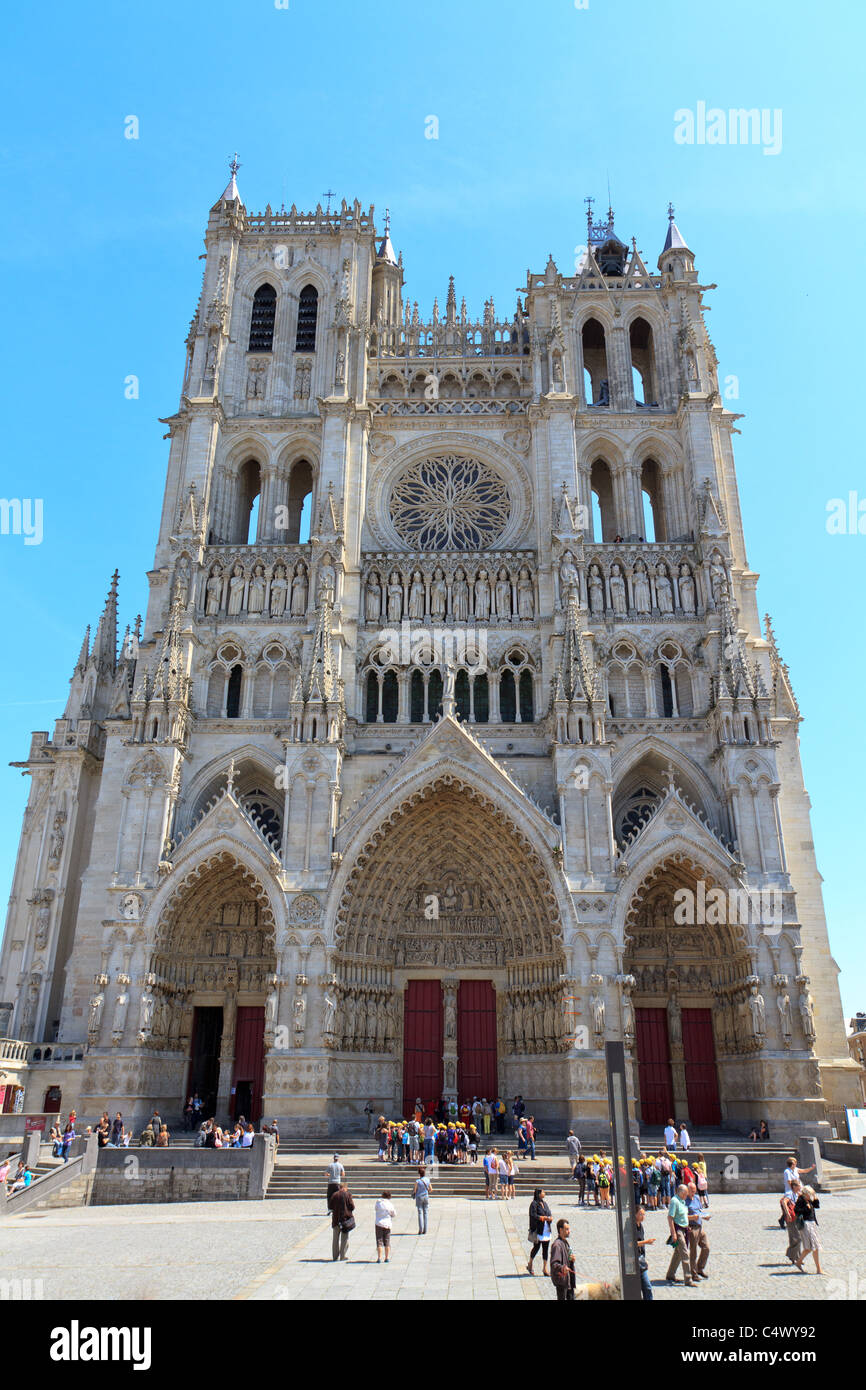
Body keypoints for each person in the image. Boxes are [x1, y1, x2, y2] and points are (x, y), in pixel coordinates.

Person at [665, 1183, 694, 1286]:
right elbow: (670, 1218)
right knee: (685, 1253)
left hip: (684, 1229)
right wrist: (673, 1234)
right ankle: (688, 1279)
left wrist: (688, 1224)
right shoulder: (674, 1201)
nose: (687, 1195)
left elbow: (683, 1216)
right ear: (681, 1192)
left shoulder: (682, 1201)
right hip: (678, 1230)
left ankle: (670, 1274)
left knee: (678, 1253)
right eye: (686, 1193)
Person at [794, 1186, 822, 1275]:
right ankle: (817, 1269)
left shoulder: (808, 1200)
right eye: (809, 1194)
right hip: (806, 1225)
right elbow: (796, 1210)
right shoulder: (801, 1200)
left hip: (812, 1224)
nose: (810, 1196)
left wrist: (815, 1196)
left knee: (813, 1247)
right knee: (810, 1248)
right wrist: (806, 1208)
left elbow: (817, 1206)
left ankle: (800, 1262)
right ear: (805, 1194)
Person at [686, 1181, 711, 1280]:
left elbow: (700, 1211)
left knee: (706, 1248)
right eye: (691, 1191)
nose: (693, 1192)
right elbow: (682, 1217)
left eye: (694, 1191)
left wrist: (705, 1216)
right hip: (692, 1228)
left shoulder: (696, 1198)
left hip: (700, 1226)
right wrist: (692, 1217)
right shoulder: (684, 1201)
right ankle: (693, 1273)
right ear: (687, 1191)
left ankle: (700, 1268)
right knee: (693, 1252)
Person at [527, 1186, 553, 1277]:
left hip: (546, 1229)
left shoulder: (544, 1203)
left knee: (545, 1249)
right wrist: (542, 1218)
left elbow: (548, 1212)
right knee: (536, 1247)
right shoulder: (534, 1204)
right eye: (543, 1192)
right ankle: (530, 1263)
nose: (544, 1193)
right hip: (539, 1229)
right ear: (539, 1194)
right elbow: (533, 1215)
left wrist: (550, 1217)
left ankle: (545, 1268)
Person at [550, 1218, 576, 1301]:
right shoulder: (557, 1245)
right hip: (562, 1282)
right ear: (560, 1230)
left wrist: (572, 1259)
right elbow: (554, 1264)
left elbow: (567, 1258)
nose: (569, 1231)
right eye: (567, 1229)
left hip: (569, 1281)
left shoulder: (565, 1242)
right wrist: (562, 1268)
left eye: (569, 1229)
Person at [329, 1180, 355, 1261]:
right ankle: (342, 1256)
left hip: (336, 1219)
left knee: (335, 1239)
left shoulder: (334, 1194)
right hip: (345, 1220)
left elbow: (330, 1206)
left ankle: (335, 1256)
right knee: (344, 1238)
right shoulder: (348, 1195)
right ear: (345, 1188)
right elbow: (352, 1206)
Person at [634, 1204, 655, 1301]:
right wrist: (647, 1242)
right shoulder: (632, 1227)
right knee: (646, 1287)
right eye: (641, 1214)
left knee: (646, 1288)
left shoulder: (640, 1226)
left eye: (644, 1214)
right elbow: (632, 1243)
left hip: (641, 1260)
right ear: (635, 1214)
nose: (643, 1217)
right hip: (634, 1261)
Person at [780, 1181, 802, 1265]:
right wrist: (788, 1213)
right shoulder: (789, 1193)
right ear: (794, 1186)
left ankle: (797, 1257)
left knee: (795, 1238)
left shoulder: (797, 1194)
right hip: (791, 1219)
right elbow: (784, 1202)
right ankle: (791, 1254)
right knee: (798, 1238)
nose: (800, 1187)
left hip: (797, 1218)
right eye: (799, 1186)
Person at [375, 1190, 396, 1262]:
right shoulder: (390, 1204)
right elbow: (393, 1214)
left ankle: (379, 1258)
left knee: (379, 1241)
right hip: (387, 1223)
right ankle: (386, 1258)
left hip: (378, 1223)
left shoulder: (378, 1202)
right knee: (387, 1241)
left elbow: (376, 1209)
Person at [413, 1163, 432, 1233]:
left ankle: (420, 1229)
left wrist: (414, 1193)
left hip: (419, 1197)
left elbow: (415, 1190)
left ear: (419, 1174)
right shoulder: (427, 1180)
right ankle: (425, 1229)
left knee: (420, 1212)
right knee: (426, 1213)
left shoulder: (417, 1181)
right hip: (426, 1196)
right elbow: (431, 1189)